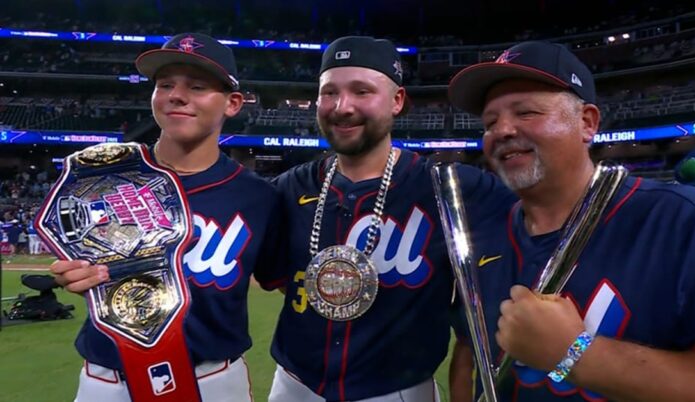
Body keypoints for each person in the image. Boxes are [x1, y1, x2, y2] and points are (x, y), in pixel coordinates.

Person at [446, 40, 695, 401]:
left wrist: (575, 354)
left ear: (587, 123)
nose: (502, 130)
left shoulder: (692, 223)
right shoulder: (485, 236)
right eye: (490, 122)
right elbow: (469, 351)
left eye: (526, 113)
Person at [267, 35, 517, 402]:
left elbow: (544, 221)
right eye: (329, 92)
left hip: (398, 391)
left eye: (362, 91)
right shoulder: (289, 189)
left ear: (397, 100)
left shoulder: (455, 188)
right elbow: (274, 276)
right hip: (294, 385)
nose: (342, 107)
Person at [47, 32, 285, 402]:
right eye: (165, 84)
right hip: (106, 380)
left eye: (197, 86)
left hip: (212, 381)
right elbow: (75, 258)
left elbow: (283, 282)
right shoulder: (103, 178)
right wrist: (72, 273)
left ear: (233, 103)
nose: (177, 95)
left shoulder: (259, 198)